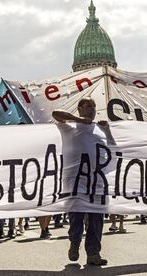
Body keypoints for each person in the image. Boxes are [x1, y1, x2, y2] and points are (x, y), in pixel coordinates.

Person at [52, 97, 111, 266]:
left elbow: (113, 150)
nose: (92, 109)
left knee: (96, 220)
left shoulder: (99, 131)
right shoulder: (69, 129)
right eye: (88, 106)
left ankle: (93, 253)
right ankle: (74, 242)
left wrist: (107, 131)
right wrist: (80, 120)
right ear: (79, 109)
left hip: (97, 184)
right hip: (75, 184)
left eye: (94, 106)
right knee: (76, 217)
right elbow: (56, 113)